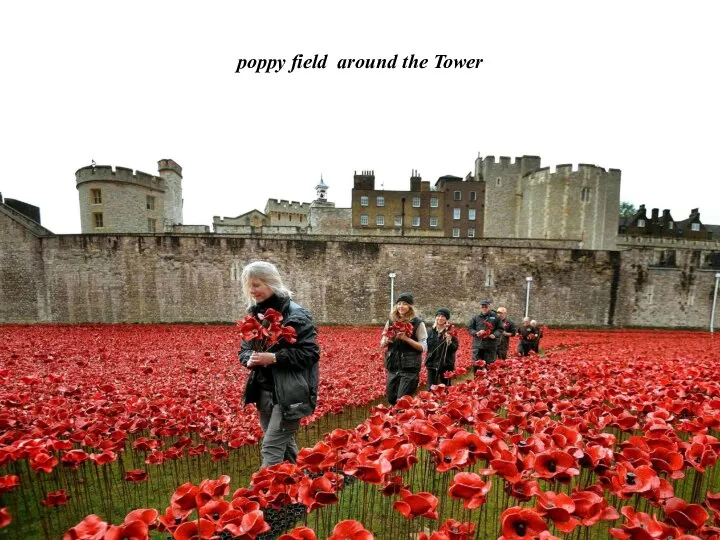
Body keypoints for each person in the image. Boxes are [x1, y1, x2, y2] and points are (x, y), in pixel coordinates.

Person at [238, 261, 320, 468]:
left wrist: (274, 358)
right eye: (249, 285)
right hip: (265, 388)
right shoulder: (255, 315)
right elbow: (244, 349)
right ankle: (295, 486)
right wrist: (249, 359)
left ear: (271, 283)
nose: (252, 290)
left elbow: (310, 353)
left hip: (291, 391)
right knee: (283, 444)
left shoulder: (296, 315)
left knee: (272, 446)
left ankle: (261, 497)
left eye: (257, 284)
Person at [380, 293, 427, 405]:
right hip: (393, 368)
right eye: (399, 304)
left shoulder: (418, 323)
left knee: (403, 402)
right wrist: (387, 341)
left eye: (404, 304)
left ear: (410, 307)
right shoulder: (391, 322)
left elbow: (423, 347)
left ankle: (403, 421)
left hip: (409, 369)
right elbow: (382, 344)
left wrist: (406, 338)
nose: (401, 306)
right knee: (391, 399)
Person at [424, 308, 459, 389]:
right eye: (438, 316)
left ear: (446, 319)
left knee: (446, 388)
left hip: (446, 364)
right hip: (432, 364)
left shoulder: (451, 332)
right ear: (435, 317)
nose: (440, 318)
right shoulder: (430, 331)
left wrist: (449, 341)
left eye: (443, 316)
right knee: (430, 389)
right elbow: (426, 346)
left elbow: (455, 348)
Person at [468, 299, 502, 372]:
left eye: (486, 306)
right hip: (478, 345)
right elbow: (470, 328)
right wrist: (476, 333)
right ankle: (476, 381)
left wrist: (494, 334)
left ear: (489, 306)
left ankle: (488, 381)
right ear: (480, 307)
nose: (484, 308)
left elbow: (500, 329)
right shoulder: (475, 317)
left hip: (490, 346)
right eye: (482, 306)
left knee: (489, 365)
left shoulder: (495, 317)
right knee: (476, 365)